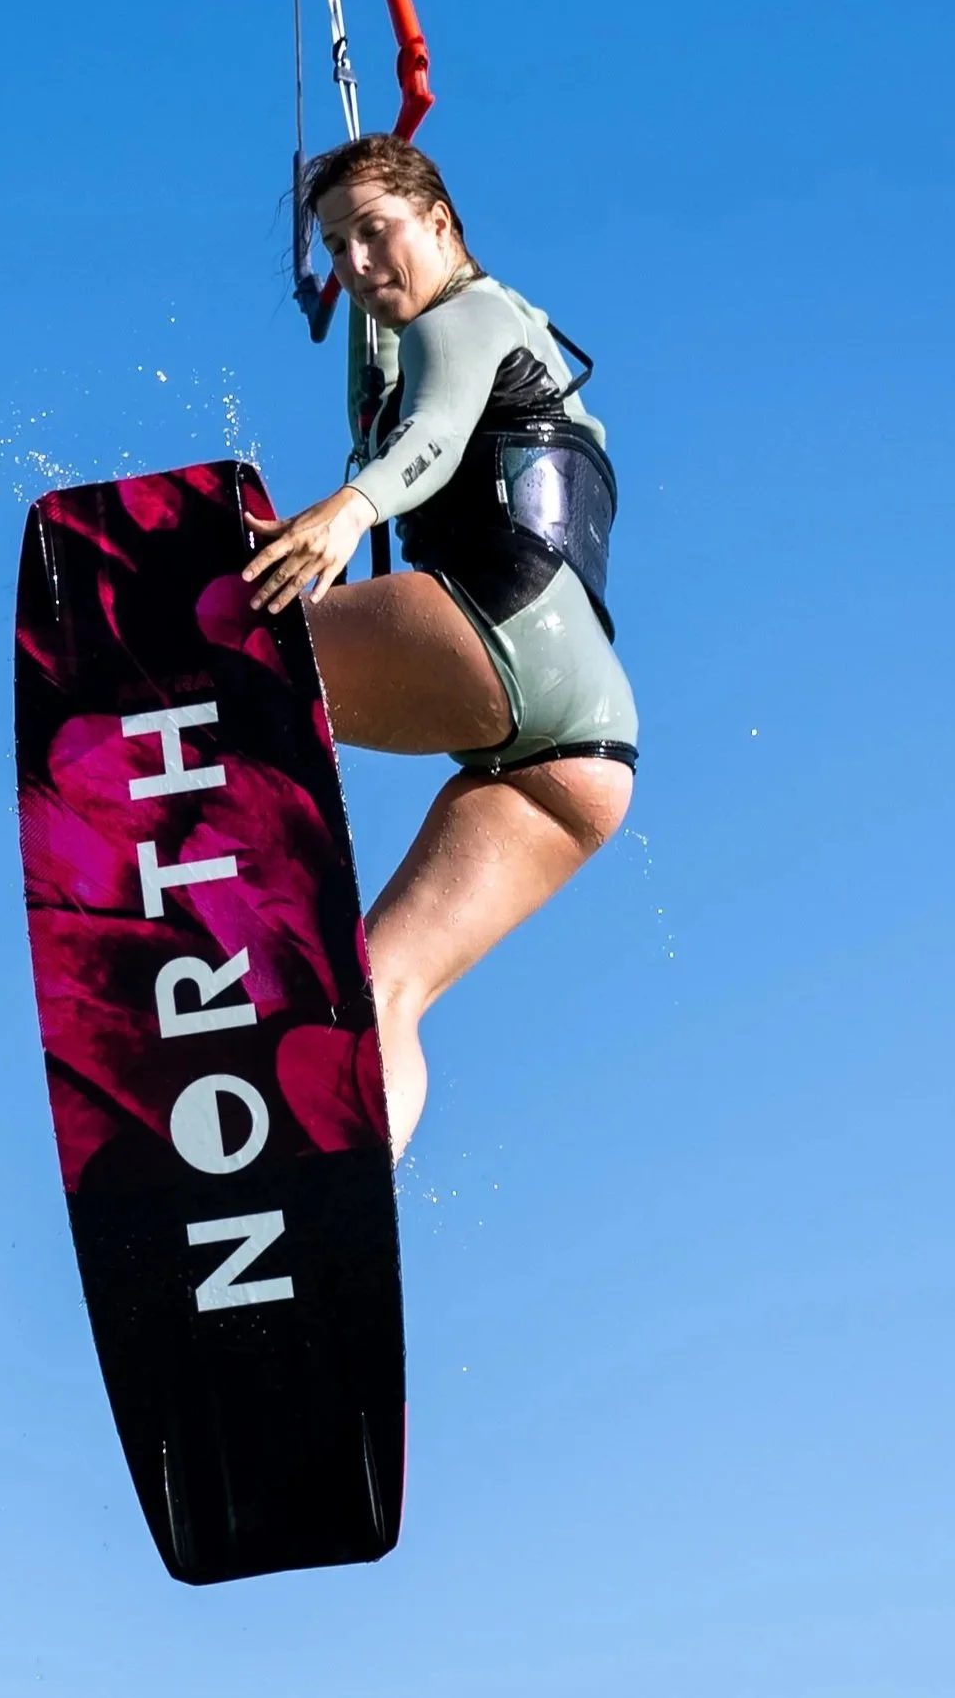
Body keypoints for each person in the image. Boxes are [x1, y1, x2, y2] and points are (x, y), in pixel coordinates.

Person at [245, 134, 637, 1164]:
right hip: (583, 755)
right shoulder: (477, 329)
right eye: (337, 247)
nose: (359, 265)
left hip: (501, 638)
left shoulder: (468, 315)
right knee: (383, 986)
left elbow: (429, 429)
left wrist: (347, 511)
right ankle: (347, 1200)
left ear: (442, 222)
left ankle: (191, 897)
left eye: (376, 233)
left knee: (223, 653)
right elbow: (392, 389)